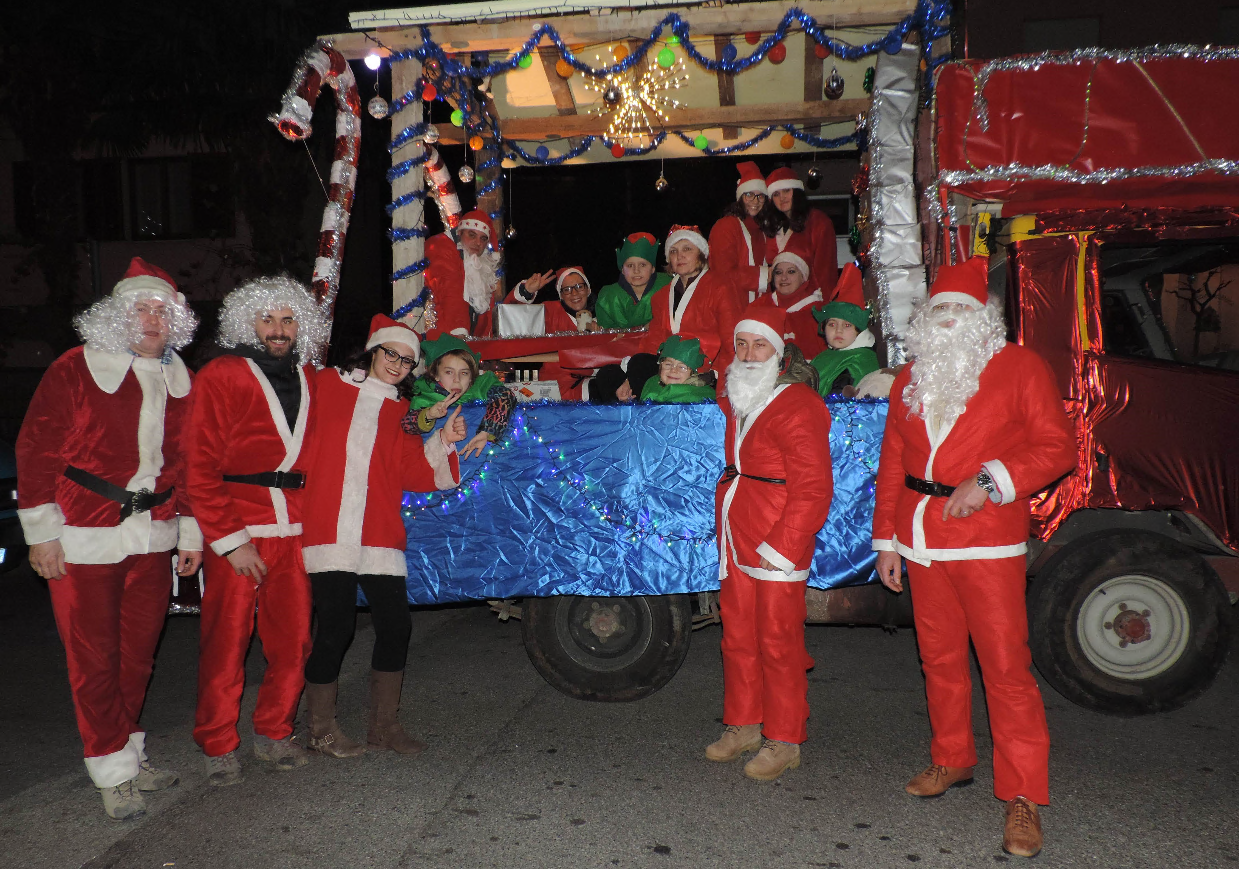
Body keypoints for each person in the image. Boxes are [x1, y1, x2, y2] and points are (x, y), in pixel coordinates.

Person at [871, 256, 1076, 859]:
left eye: (962, 310)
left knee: (1005, 669)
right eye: (941, 311)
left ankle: (1023, 795)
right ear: (926, 322)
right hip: (921, 538)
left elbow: (1056, 445)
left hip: (986, 538)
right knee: (938, 659)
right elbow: (891, 465)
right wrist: (887, 540)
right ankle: (952, 757)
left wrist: (991, 481)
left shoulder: (1017, 367)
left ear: (984, 318)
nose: (951, 320)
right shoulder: (910, 379)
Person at [15, 258, 201, 820]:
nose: (152, 319)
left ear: (177, 322)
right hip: (82, 531)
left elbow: (190, 462)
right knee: (93, 659)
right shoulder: (76, 368)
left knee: (139, 656)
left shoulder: (181, 377)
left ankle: (131, 752)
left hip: (154, 534)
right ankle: (110, 768)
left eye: (161, 311)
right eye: (140, 309)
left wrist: (189, 529)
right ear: (118, 316)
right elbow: (36, 449)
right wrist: (42, 534)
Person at [186, 275, 332, 787]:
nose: (278, 329)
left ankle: (273, 732)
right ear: (247, 323)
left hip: (295, 531)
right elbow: (198, 467)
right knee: (226, 643)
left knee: (293, 644)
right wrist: (231, 541)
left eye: (288, 319)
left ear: (302, 325)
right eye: (267, 319)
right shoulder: (222, 374)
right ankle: (218, 743)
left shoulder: (314, 377)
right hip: (239, 529)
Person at [300, 315, 465, 759]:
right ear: (373, 351)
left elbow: (411, 472)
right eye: (391, 354)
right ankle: (320, 729)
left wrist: (443, 439)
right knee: (335, 627)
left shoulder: (401, 414)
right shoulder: (327, 386)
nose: (398, 364)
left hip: (377, 532)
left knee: (396, 626)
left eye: (407, 360)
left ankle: (384, 727)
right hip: (329, 526)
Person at [707, 306, 833, 782]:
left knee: (778, 640)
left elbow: (815, 487)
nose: (748, 353)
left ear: (779, 353)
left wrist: (784, 543)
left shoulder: (799, 404)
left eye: (759, 345)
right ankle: (744, 723)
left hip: (778, 533)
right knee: (737, 634)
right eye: (741, 344)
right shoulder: (738, 395)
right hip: (737, 530)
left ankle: (785, 737)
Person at [642, 225, 743, 367]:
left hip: (708, 370)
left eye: (687, 249)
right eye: (673, 251)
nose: (679, 256)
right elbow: (654, 341)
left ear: (701, 253)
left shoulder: (721, 287)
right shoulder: (661, 296)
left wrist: (725, 380)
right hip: (670, 369)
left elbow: (731, 340)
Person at [404, 334, 517, 459]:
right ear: (436, 374)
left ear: (471, 378)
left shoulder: (481, 387)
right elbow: (407, 425)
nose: (456, 380)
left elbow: (505, 396)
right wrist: (429, 415)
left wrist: (487, 431)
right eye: (449, 372)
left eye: (464, 373)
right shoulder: (425, 395)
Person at [423, 210, 502, 337]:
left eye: (483, 239)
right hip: (443, 340)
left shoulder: (483, 267)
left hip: (472, 343)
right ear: (459, 233)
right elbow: (450, 290)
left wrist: (524, 291)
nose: (478, 243)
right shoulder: (443, 248)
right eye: (472, 235)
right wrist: (459, 334)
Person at [762, 167, 839, 296]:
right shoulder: (772, 226)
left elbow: (826, 270)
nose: (782, 198)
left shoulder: (817, 221)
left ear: (796, 192)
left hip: (810, 301)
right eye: (776, 194)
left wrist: (823, 307)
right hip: (778, 302)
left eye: (786, 190)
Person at [746, 239, 826, 358]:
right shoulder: (758, 307)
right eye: (778, 272)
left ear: (803, 277)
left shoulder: (818, 312)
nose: (784, 278)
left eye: (791, 272)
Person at [708, 162, 775, 303]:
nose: (755, 201)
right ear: (740, 197)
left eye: (760, 196)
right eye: (749, 195)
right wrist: (764, 274)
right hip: (732, 306)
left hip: (757, 306)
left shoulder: (762, 229)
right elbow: (722, 273)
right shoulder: (726, 226)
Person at [810, 262, 880, 395]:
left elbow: (838, 400)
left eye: (847, 325)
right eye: (832, 324)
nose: (838, 331)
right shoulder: (824, 357)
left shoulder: (859, 361)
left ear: (858, 330)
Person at [595, 232, 673, 331]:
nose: (636, 271)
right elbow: (605, 337)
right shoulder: (608, 297)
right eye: (630, 265)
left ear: (653, 268)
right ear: (622, 269)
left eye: (643, 265)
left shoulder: (668, 287)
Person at [506, 266, 600, 333]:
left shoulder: (604, 312)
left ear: (588, 290)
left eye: (579, 286)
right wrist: (526, 291)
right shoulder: (551, 313)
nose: (574, 293)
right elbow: (510, 317)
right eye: (567, 289)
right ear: (561, 296)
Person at [639, 335, 716, 403]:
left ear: (694, 373)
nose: (673, 370)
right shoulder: (652, 383)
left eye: (682, 367)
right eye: (668, 364)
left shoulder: (699, 394)